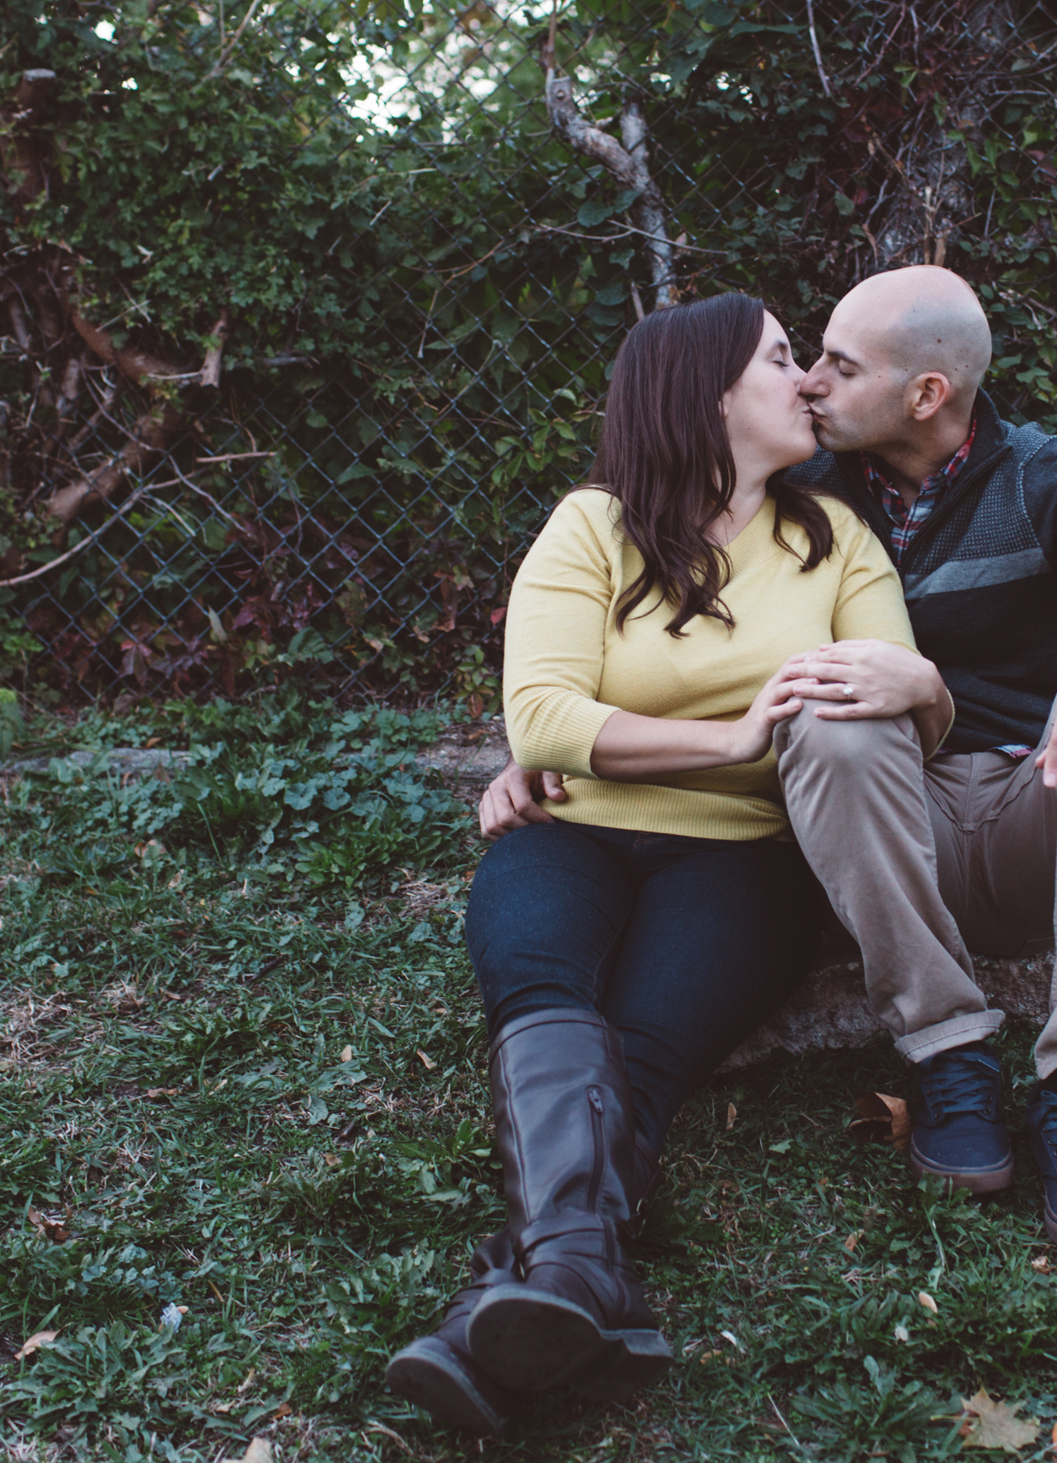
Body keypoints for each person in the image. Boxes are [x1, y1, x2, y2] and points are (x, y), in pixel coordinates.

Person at [482, 266, 1057, 1257]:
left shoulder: (1028, 481)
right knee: (825, 703)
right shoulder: (801, 484)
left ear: (925, 396)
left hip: (1032, 794)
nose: (810, 380)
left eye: (834, 364)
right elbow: (588, 660)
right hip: (884, 814)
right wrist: (546, 746)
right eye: (795, 359)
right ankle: (947, 1054)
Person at [387, 293, 950, 1435]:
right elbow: (542, 719)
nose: (805, 381)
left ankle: (508, 1306)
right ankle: (579, 1283)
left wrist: (910, 685)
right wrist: (732, 735)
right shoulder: (592, 526)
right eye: (782, 359)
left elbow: (881, 694)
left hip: (742, 854)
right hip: (573, 828)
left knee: (640, 1050)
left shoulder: (833, 540)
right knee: (541, 991)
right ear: (705, 393)